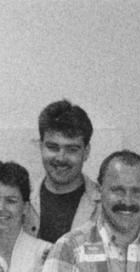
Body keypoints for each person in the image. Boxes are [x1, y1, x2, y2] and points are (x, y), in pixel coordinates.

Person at [33, 100, 100, 244]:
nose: (61, 158)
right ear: (41, 146)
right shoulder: (22, 199)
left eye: (72, 149)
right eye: (53, 147)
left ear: (86, 152)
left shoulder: (104, 205)